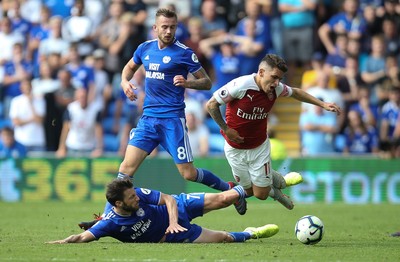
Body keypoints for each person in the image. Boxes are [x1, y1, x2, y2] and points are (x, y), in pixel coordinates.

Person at [115, 9, 241, 210]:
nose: (168, 31)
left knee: (188, 174)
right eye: (164, 27)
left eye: (172, 27)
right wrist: (124, 82)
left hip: (172, 121)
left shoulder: (184, 53)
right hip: (148, 119)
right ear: (155, 28)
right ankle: (108, 216)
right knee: (124, 170)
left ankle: (230, 188)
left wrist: (187, 83)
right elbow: (129, 67)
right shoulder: (144, 49)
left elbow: (207, 82)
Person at [206, 54, 341, 210]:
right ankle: (276, 183)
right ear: (261, 72)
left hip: (258, 146)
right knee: (248, 190)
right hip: (234, 148)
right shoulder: (241, 85)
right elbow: (211, 105)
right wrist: (226, 129)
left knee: (261, 194)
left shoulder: (276, 89)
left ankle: (277, 187)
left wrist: (322, 104)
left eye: (280, 79)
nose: (277, 83)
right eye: (274, 77)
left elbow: (296, 92)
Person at [47, 178, 278, 244]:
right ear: (118, 204)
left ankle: (266, 185)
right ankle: (251, 233)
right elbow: (81, 238)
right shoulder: (109, 224)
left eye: (134, 194)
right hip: (172, 235)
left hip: (178, 207)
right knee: (224, 238)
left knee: (224, 198)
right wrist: (60, 243)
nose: (136, 197)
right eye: (131, 198)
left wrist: (173, 220)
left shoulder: (138, 194)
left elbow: (167, 199)